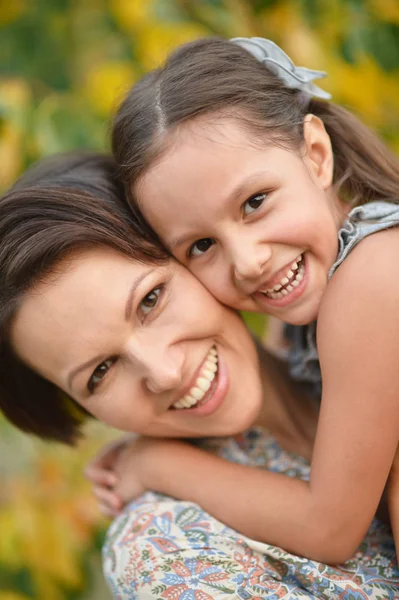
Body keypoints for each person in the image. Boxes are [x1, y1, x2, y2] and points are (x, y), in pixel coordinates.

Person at [1, 152, 398, 598]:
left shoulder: (346, 312)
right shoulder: (166, 554)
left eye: (150, 300)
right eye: (101, 372)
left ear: (195, 247)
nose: (164, 372)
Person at [109, 36, 399, 563]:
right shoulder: (299, 317)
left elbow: (329, 529)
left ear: (315, 155)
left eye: (255, 203)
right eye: (201, 246)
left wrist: (153, 464)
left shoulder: (373, 276)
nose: (245, 262)